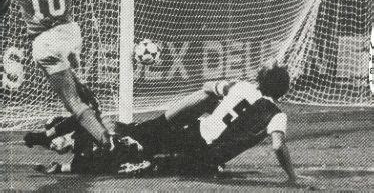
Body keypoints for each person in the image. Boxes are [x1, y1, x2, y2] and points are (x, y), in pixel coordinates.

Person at [26, 62, 304, 186]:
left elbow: (208, 88)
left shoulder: (242, 87)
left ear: (259, 79)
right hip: (201, 154)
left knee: (134, 140)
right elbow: (278, 145)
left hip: (190, 134)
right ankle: (65, 148)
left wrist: (225, 89)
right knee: (136, 158)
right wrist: (291, 178)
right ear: (283, 90)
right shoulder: (276, 113)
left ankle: (61, 141)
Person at [0, 0, 135, 150]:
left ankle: (107, 141)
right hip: (71, 35)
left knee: (72, 101)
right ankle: (66, 131)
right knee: (83, 98)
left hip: (46, 42)